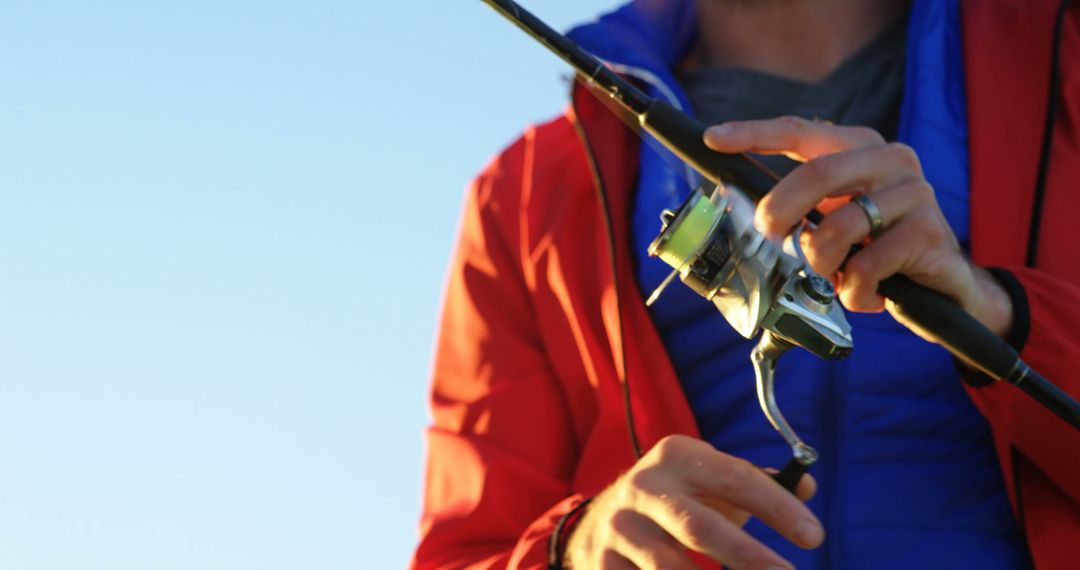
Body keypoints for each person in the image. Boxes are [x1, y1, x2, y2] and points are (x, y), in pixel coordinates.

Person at [414, 0, 1080, 568]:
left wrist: (998, 314)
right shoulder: (523, 197)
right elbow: (466, 548)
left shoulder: (1062, 59)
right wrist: (577, 546)